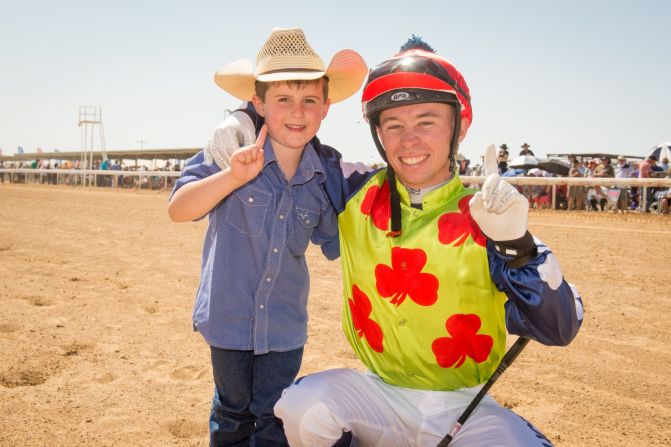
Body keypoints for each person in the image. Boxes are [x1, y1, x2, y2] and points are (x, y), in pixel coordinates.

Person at [210, 36, 584, 447]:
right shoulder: (350, 189)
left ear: (459, 125)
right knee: (300, 409)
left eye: (426, 122)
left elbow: (560, 326)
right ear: (377, 134)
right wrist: (246, 117)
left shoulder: (487, 216)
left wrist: (517, 244)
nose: (409, 141)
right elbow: (296, 132)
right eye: (393, 125)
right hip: (378, 394)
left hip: (464, 407)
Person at [168, 27, 366, 446]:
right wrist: (231, 177)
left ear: (326, 107)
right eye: (283, 99)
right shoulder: (228, 151)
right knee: (232, 411)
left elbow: (337, 243)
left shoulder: (324, 177)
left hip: (284, 327)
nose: (298, 111)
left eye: (310, 99)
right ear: (258, 103)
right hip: (228, 320)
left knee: (275, 416)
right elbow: (179, 208)